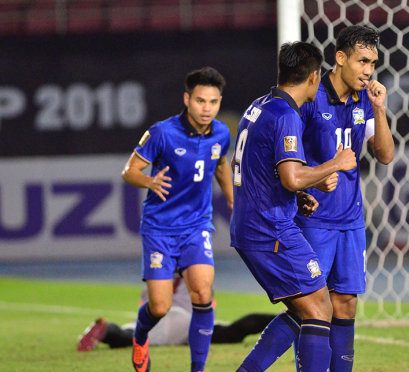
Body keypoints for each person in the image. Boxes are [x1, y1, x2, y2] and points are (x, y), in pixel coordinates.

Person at [229, 41, 357, 372]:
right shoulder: (287, 115)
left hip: (251, 224)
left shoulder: (258, 107)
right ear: (314, 77)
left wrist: (299, 194)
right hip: (269, 229)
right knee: (319, 309)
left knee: (308, 308)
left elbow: (258, 167)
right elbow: (291, 176)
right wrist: (334, 164)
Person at [295, 25, 395, 372]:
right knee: (309, 307)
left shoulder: (365, 100)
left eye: (373, 63)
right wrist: (316, 176)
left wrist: (380, 109)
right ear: (340, 58)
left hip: (350, 219)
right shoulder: (311, 96)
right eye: (362, 61)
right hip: (313, 217)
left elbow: (384, 154)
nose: (368, 70)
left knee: (346, 304)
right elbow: (286, 153)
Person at [121, 66, 232, 372]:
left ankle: (198, 367)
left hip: (197, 227)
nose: (206, 108)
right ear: (187, 99)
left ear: (219, 102)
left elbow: (221, 165)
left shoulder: (222, 133)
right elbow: (129, 170)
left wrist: (235, 202)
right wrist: (149, 182)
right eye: (200, 101)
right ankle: (140, 336)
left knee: (203, 293)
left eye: (213, 102)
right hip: (160, 231)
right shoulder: (162, 133)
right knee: (160, 307)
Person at [76, 278, 274, 351]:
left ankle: (103, 327)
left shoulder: (156, 271)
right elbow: (207, 299)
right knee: (232, 332)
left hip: (156, 316)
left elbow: (145, 301)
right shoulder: (196, 268)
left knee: (128, 336)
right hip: (186, 320)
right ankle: (286, 319)